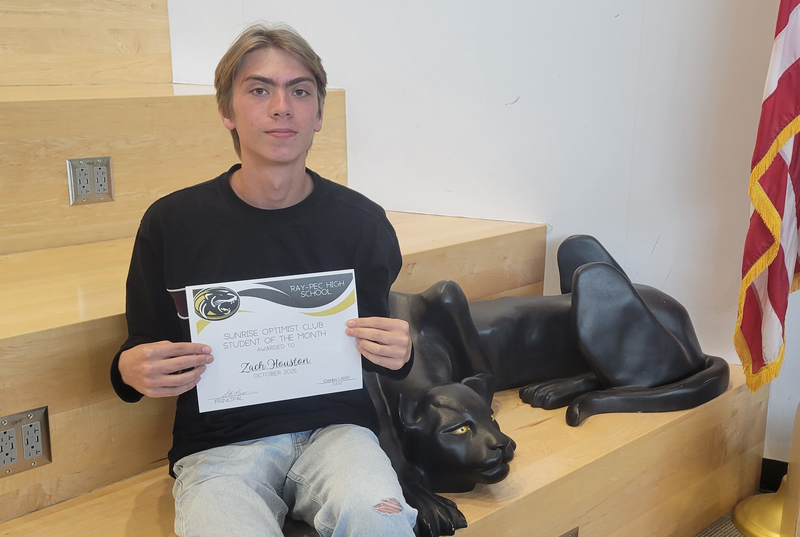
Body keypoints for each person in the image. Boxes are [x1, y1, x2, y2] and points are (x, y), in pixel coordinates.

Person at [110, 23, 418, 537]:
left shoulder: (362, 223)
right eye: (259, 90)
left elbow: (374, 344)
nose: (282, 106)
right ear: (227, 112)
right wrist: (127, 369)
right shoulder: (173, 223)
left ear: (319, 114)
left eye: (300, 91)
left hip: (338, 433)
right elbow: (143, 344)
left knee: (377, 521)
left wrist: (399, 352)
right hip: (219, 446)